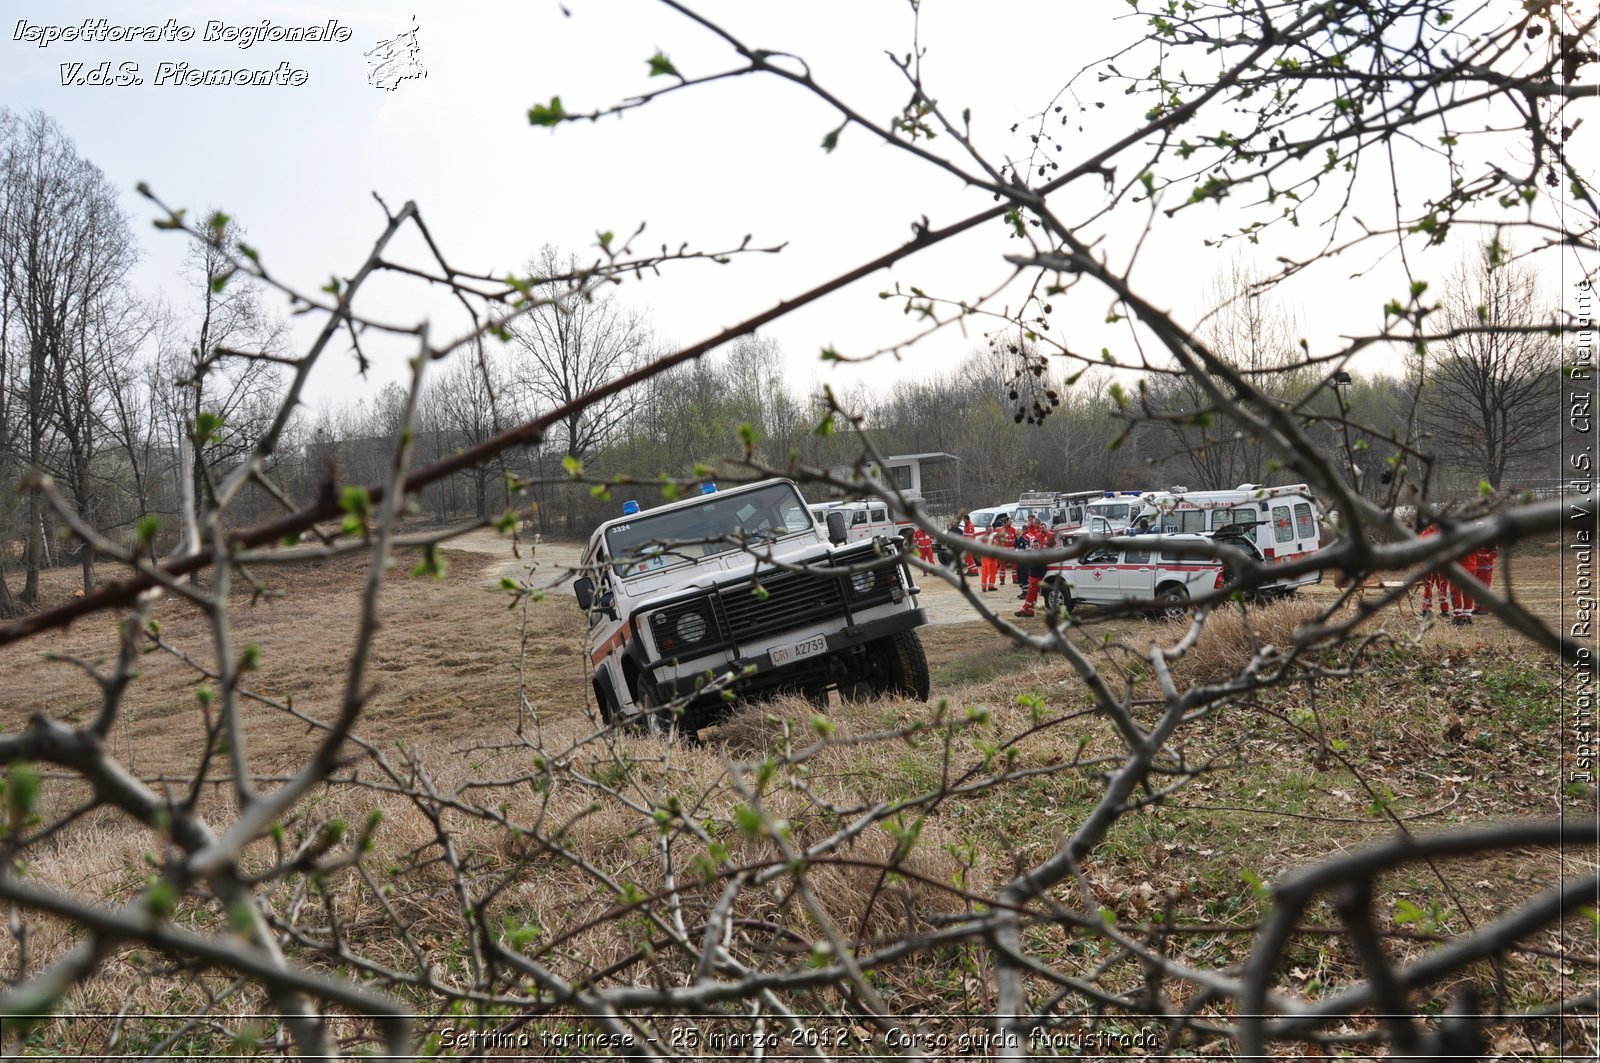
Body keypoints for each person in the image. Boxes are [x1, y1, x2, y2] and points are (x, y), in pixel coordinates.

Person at [1014, 517, 1051, 618]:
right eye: (1034, 545)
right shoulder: (1033, 553)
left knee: (1030, 594)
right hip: (1033, 576)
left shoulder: (1041, 554)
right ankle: (1030, 611)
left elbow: (1037, 565)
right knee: (1033, 595)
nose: (1035, 546)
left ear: (1039, 545)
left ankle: (1025, 609)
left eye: (1036, 545)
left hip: (1037, 577)